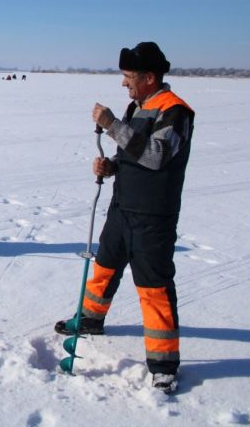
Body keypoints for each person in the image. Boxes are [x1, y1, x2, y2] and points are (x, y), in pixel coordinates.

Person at [54, 42, 195, 394]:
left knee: (153, 288)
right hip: (122, 207)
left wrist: (112, 124)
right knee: (103, 265)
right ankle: (90, 320)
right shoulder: (138, 106)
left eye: (129, 77)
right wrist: (111, 166)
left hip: (153, 217)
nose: (123, 84)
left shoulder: (175, 112)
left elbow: (156, 156)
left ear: (149, 77)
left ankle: (163, 366)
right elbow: (132, 156)